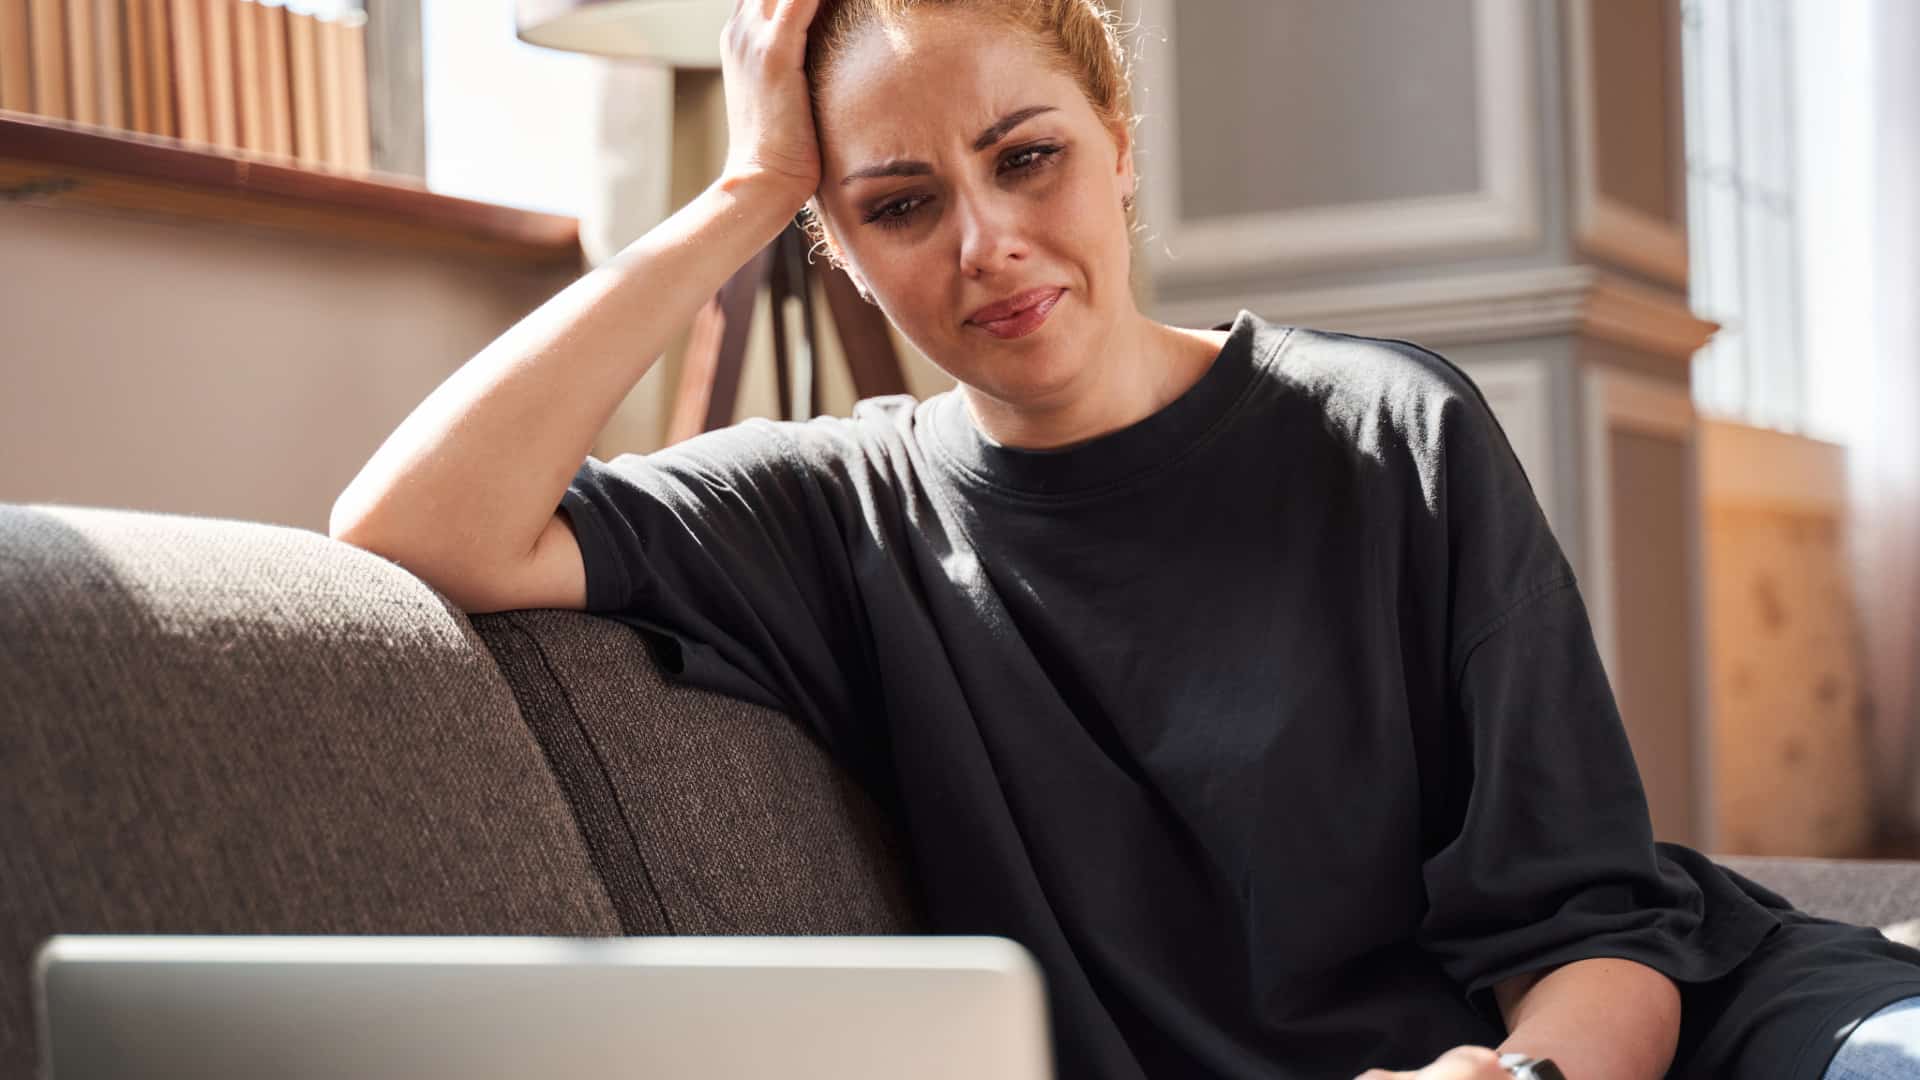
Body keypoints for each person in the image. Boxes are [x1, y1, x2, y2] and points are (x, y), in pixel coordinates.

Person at [330, 0, 1920, 1076]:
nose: (988, 244)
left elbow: (1596, 922)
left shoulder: (1388, 430)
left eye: (1027, 157)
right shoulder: (828, 514)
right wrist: (747, 181)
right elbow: (412, 526)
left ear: (1119, 143)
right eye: (898, 203)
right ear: (838, 245)